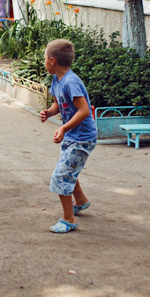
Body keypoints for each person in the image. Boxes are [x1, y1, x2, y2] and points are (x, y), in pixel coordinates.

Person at [38, 38, 97, 233]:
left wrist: (63, 128)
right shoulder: (57, 79)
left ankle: (69, 218)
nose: (43, 61)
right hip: (73, 135)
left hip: (82, 138)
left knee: (61, 176)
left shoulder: (71, 82)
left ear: (52, 61)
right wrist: (49, 112)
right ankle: (80, 200)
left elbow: (84, 111)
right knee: (68, 168)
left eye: (44, 58)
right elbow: (60, 103)